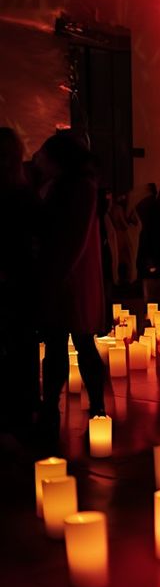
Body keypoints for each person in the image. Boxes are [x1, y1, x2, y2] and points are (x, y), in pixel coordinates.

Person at [35, 131, 108, 430]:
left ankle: (95, 407)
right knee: (61, 344)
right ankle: (53, 407)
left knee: (79, 343)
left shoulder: (79, 188)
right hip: (64, 276)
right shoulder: (64, 185)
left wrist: (56, 275)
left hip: (70, 279)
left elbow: (73, 238)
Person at [0, 128, 40, 433]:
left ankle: (18, 411)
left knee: (18, 346)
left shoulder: (21, 195)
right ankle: (24, 410)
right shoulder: (25, 194)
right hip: (22, 281)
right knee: (21, 347)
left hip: (16, 281)